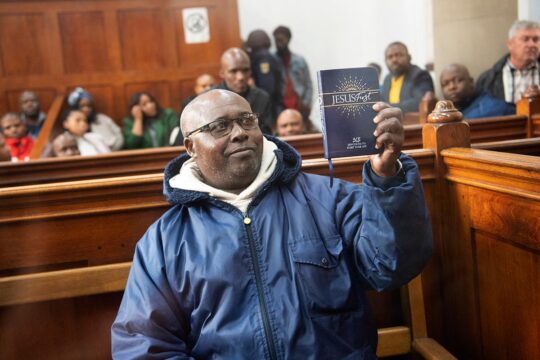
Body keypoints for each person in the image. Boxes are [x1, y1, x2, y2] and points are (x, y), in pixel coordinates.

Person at [111, 89, 433, 359]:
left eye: (246, 120)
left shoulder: (327, 198)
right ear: (191, 148)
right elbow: (143, 345)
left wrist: (387, 179)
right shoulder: (166, 240)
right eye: (220, 126)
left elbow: (389, 266)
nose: (239, 132)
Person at [476, 20, 540, 104]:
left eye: (536, 40)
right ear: (510, 44)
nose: (532, 44)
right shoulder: (488, 79)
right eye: (525, 39)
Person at [214, 47, 273, 134]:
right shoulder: (209, 100)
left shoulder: (262, 98)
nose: (240, 77)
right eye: (233, 71)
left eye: (245, 70)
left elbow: (266, 134)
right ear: (222, 73)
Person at [440, 63, 515, 118]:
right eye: (445, 84)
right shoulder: (440, 115)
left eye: (458, 80)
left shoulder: (491, 107)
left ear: (471, 82)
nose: (452, 87)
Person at [381, 42, 434, 112]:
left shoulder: (420, 75)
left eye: (398, 55)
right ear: (385, 61)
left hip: (413, 122)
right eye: (390, 57)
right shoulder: (387, 79)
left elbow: (420, 102)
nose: (394, 60)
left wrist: (387, 107)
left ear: (409, 57)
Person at [273, 25, 313, 119]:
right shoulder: (272, 60)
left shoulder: (299, 60)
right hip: (280, 108)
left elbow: (308, 84)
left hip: (299, 106)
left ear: (288, 39)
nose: (278, 44)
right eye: (276, 40)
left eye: (281, 40)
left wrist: (306, 103)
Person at [246, 29, 283, 119]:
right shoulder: (268, 56)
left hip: (269, 105)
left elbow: (267, 87)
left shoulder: (263, 59)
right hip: (273, 104)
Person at [171, 74, 217, 146]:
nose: (208, 88)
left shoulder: (221, 103)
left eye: (211, 85)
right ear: (196, 88)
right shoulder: (188, 103)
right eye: (204, 86)